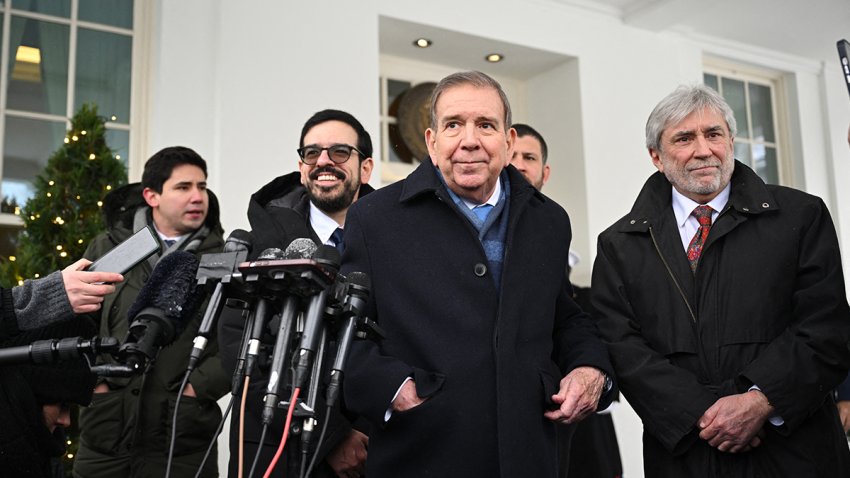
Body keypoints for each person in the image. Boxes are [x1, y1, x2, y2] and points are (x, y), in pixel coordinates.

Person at [339, 71, 615, 478]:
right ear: (432, 142)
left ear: (508, 141)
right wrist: (395, 389)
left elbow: (564, 317)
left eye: (485, 125)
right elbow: (348, 330)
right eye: (454, 125)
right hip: (421, 452)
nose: (470, 140)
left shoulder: (550, 221)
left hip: (531, 452)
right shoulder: (373, 218)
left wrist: (592, 368)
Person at [592, 84, 850, 477]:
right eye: (684, 138)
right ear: (656, 157)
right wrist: (701, 415)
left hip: (796, 452)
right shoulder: (619, 245)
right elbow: (622, 347)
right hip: (685, 455)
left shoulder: (801, 216)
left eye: (713, 134)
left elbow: (826, 326)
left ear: (731, 140)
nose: (703, 150)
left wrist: (760, 400)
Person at [217, 109, 374, 477]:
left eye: (339, 152)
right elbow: (236, 347)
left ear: (365, 168)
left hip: (365, 452)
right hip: (272, 445)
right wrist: (330, 437)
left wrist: (360, 431)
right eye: (311, 153)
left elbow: (402, 342)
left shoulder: (393, 244)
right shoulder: (258, 246)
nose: (323, 161)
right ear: (302, 168)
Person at [73, 147, 227, 478]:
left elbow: (238, 334)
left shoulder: (226, 257)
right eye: (183, 187)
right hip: (105, 434)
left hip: (182, 440)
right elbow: (79, 319)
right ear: (151, 196)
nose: (198, 196)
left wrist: (197, 388)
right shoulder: (108, 247)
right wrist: (95, 381)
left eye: (202, 186)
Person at [510, 123, 623, 478]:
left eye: (529, 157)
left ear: (545, 172)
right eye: (512, 156)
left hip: (582, 432)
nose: (519, 165)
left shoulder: (559, 240)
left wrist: (591, 371)